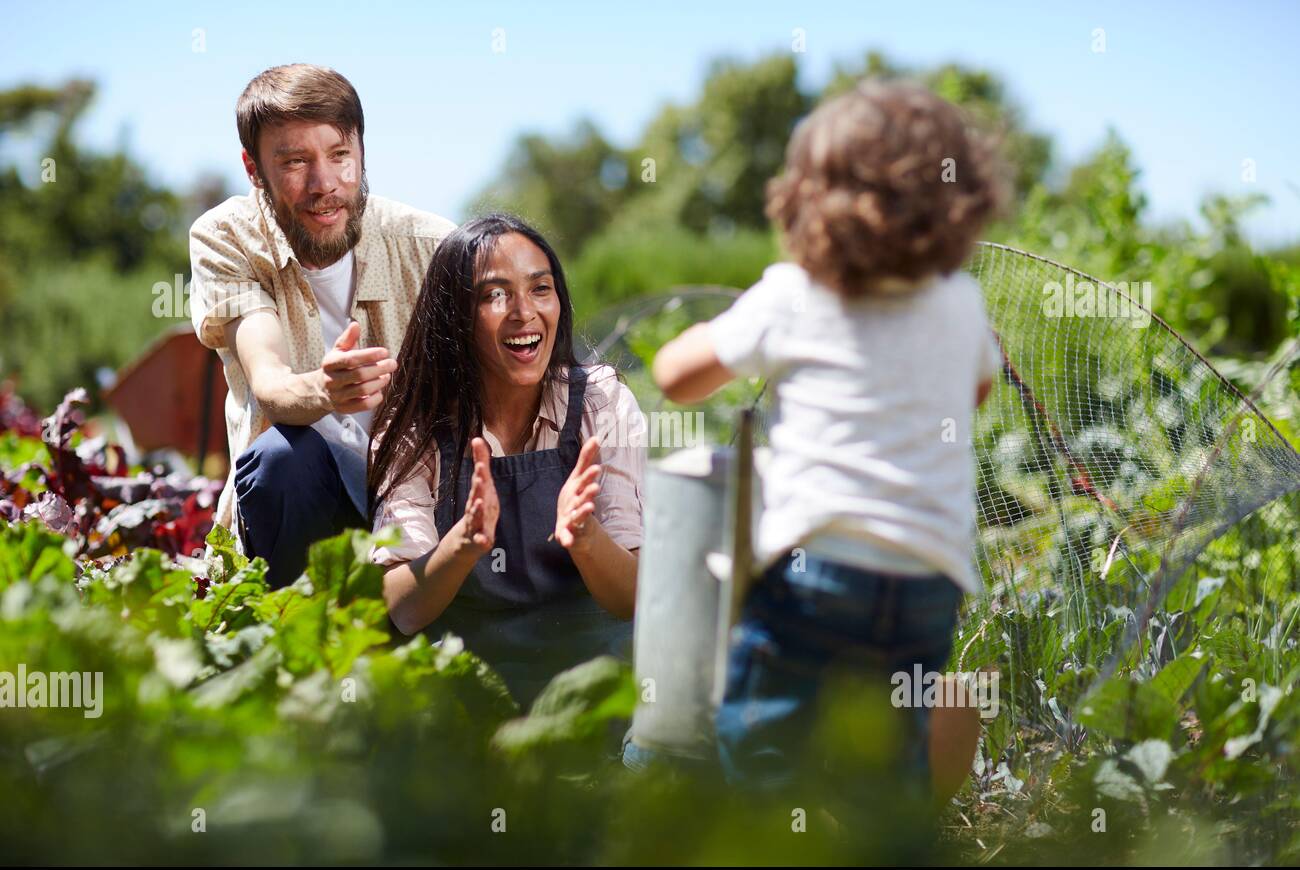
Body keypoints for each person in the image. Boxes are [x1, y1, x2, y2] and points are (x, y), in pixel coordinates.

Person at [651, 81, 1005, 802]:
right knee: (894, 766)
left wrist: (712, 339)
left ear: (808, 200)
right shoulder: (960, 302)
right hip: (928, 580)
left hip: (818, 572)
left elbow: (675, 376)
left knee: (762, 746)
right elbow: (975, 392)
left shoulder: (793, 295)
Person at [188, 63, 455, 587]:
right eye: (294, 163)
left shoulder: (431, 245)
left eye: (340, 156)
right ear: (253, 168)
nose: (325, 184)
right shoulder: (227, 239)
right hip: (305, 505)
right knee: (281, 456)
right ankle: (294, 632)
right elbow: (270, 384)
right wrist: (325, 389)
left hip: (426, 500)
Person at [368, 214, 646, 708]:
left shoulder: (602, 402)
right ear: (456, 315)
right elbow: (402, 610)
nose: (524, 312)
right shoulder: (415, 426)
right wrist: (465, 543)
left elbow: (631, 599)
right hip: (469, 686)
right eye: (494, 295)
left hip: (592, 681)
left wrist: (586, 538)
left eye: (541, 289)